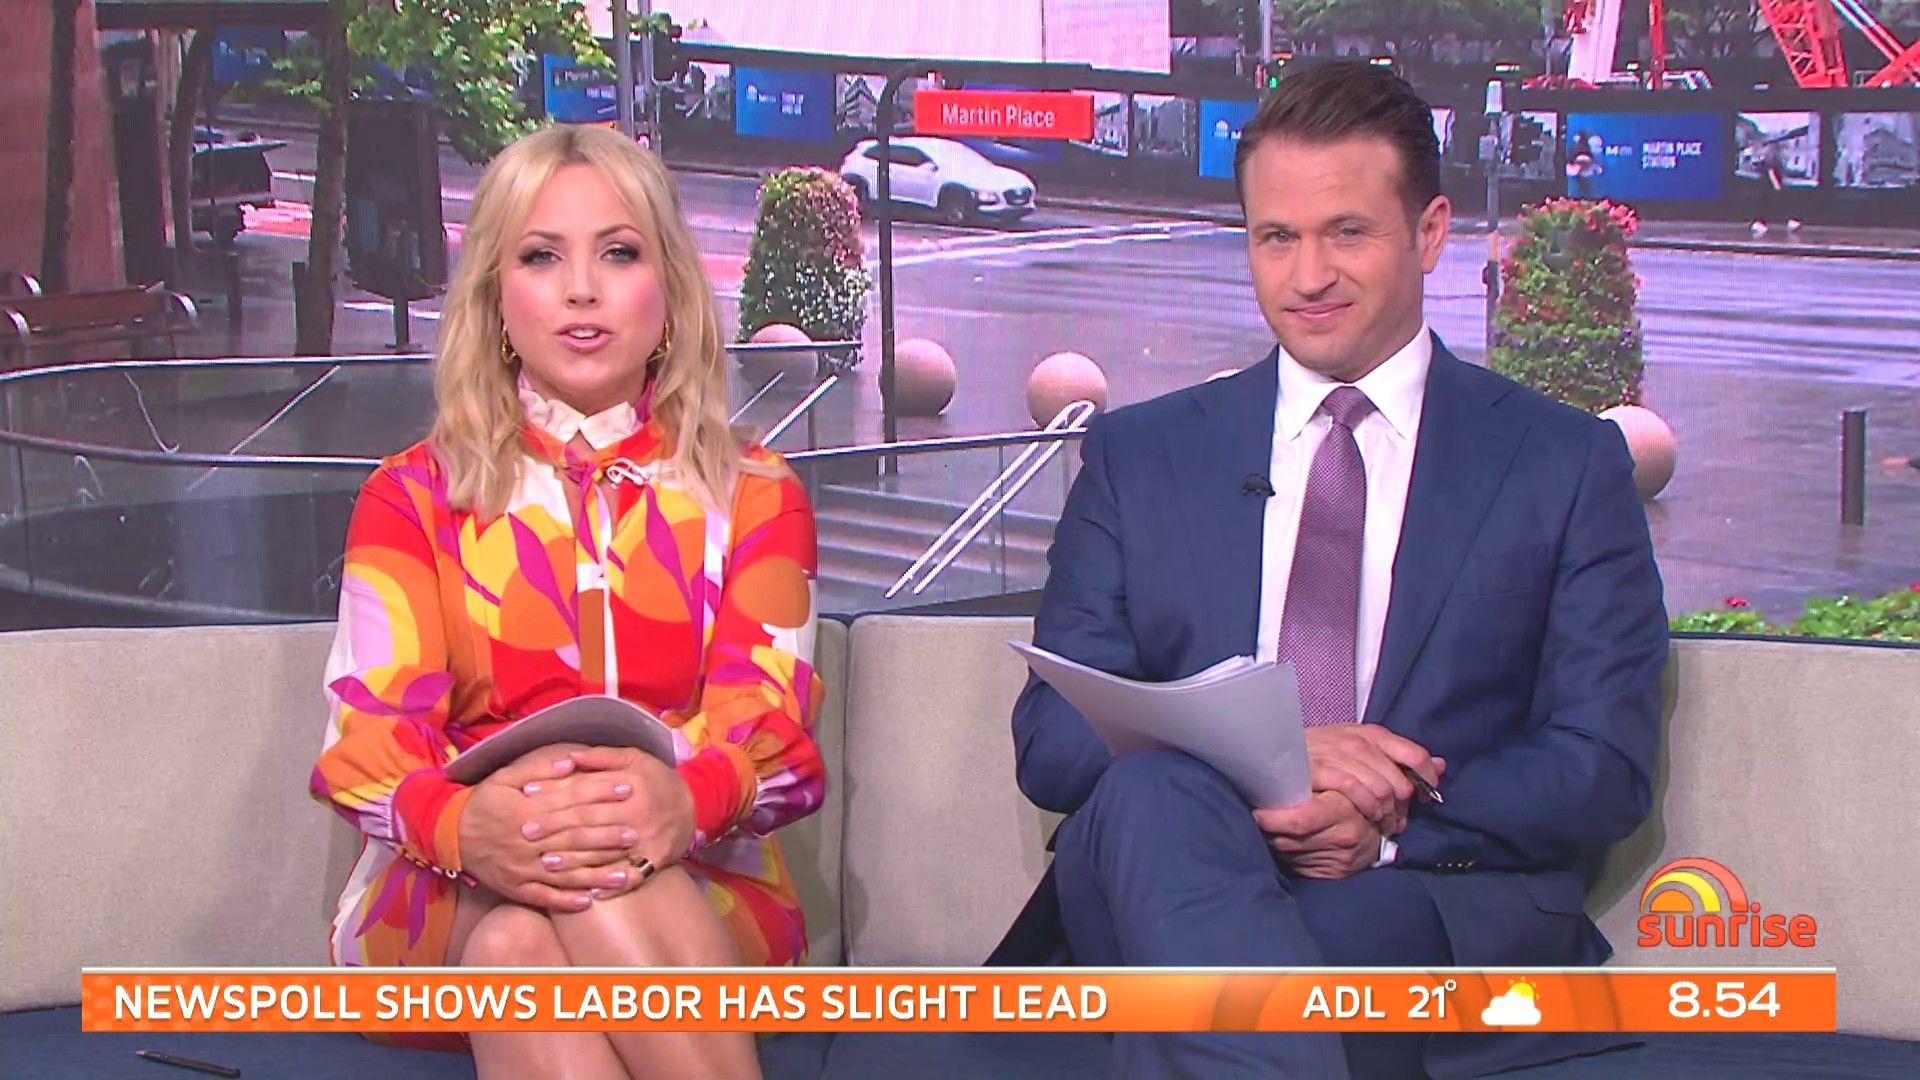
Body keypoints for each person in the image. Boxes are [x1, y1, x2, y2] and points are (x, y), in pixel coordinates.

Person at [991, 60, 1668, 1079]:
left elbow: (1601, 766)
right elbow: (1053, 740)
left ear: (1429, 233)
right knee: (1153, 797)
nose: (1308, 276)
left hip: (1421, 891)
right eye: (1276, 238)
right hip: (1155, 863)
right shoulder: (1141, 455)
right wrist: (1277, 762)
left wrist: (1386, 815)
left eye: (1346, 233)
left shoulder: (1560, 465)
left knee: (1248, 973)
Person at [309, 124, 825, 1079]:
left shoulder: (757, 494)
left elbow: (774, 738)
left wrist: (681, 804)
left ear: (668, 291)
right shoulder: (411, 497)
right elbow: (367, 746)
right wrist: (471, 830)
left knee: (535, 935)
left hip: (697, 875)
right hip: (445, 888)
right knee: (534, 914)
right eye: (542, 257)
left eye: (618, 253)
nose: (582, 289)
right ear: (497, 298)